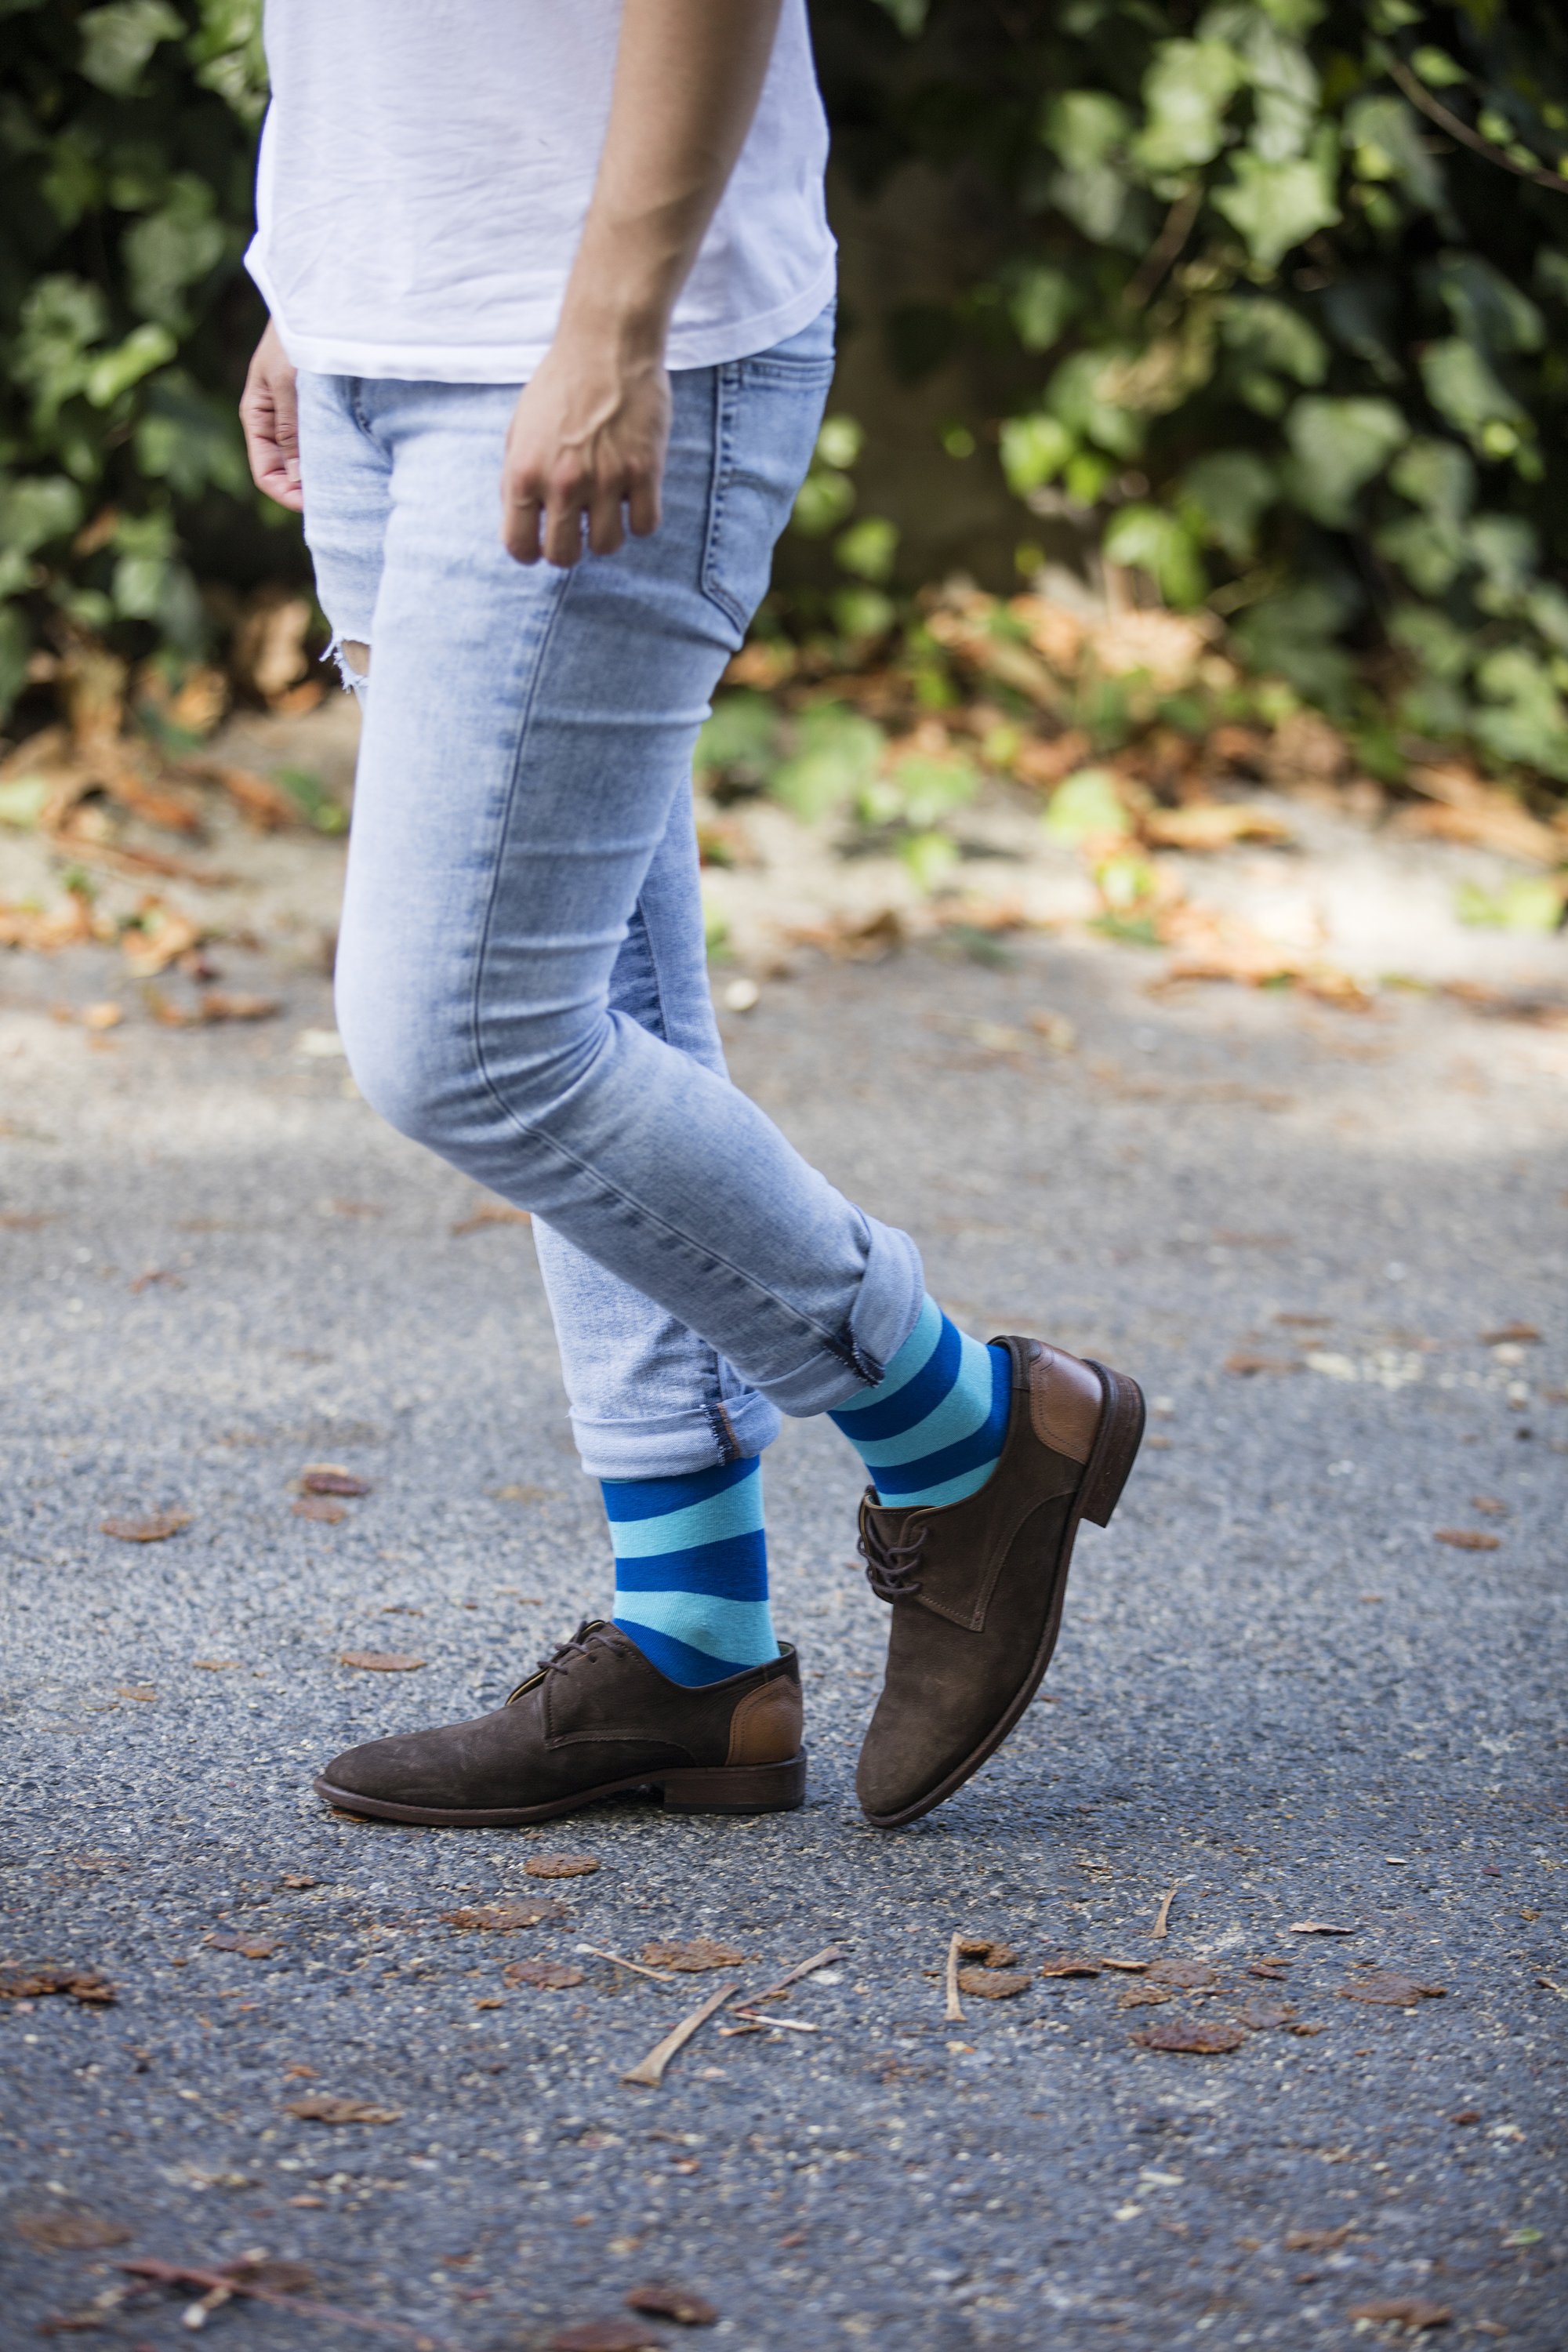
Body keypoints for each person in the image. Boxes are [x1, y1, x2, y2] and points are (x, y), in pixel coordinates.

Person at [238, 0, 1144, 1835]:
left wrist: (616, 322)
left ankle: (961, 1426)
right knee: (593, 997)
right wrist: (320, 277)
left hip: (588, 332)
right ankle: (697, 1649)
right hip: (381, 316)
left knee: (469, 1039)